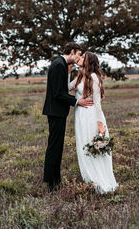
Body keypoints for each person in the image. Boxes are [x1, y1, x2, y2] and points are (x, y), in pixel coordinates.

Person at [42, 42, 94, 192]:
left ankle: (55, 180)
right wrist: (77, 101)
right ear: (72, 51)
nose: (79, 57)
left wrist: (70, 70)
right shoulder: (59, 65)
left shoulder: (62, 65)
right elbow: (58, 93)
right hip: (56, 111)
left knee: (56, 147)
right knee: (54, 147)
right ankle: (52, 184)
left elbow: (62, 88)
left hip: (57, 111)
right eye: (79, 54)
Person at [68, 52, 118, 193]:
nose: (80, 58)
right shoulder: (79, 76)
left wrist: (100, 124)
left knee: (94, 148)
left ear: (88, 61)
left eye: (83, 57)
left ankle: (99, 180)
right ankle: (90, 179)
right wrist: (68, 70)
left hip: (91, 116)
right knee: (83, 146)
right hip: (80, 116)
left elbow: (97, 103)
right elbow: (66, 87)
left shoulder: (94, 77)